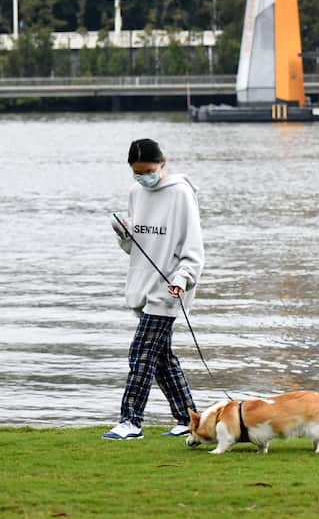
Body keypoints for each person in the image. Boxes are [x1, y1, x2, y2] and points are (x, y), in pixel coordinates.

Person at [102, 137, 205, 441]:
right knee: (161, 358)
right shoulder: (136, 192)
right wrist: (123, 235)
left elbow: (193, 246)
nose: (143, 176)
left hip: (170, 288)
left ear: (162, 163)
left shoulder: (182, 194)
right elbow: (137, 247)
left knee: (141, 353)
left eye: (147, 170)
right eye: (137, 172)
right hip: (142, 286)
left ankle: (131, 421)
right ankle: (189, 418)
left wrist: (182, 278)